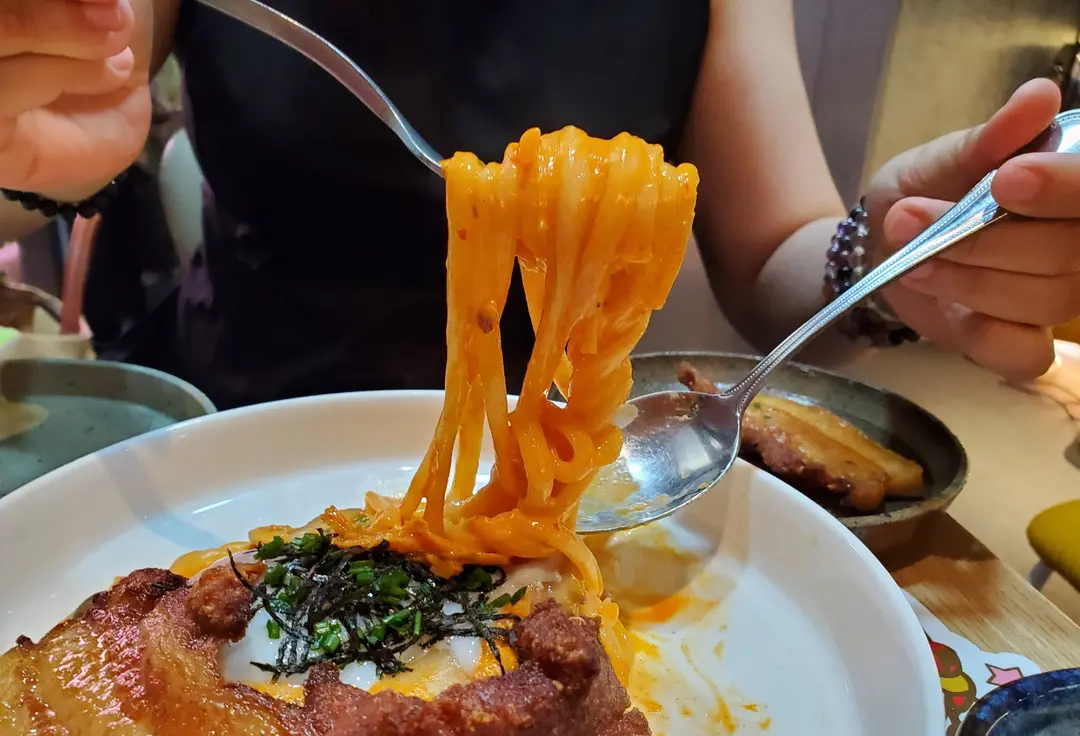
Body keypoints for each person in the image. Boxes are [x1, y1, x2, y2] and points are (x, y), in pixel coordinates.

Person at [1, 0, 1078, 409]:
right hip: (236, 434)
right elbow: (54, 136)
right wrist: (26, 125)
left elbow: (772, 259)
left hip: (564, 474)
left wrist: (888, 256)